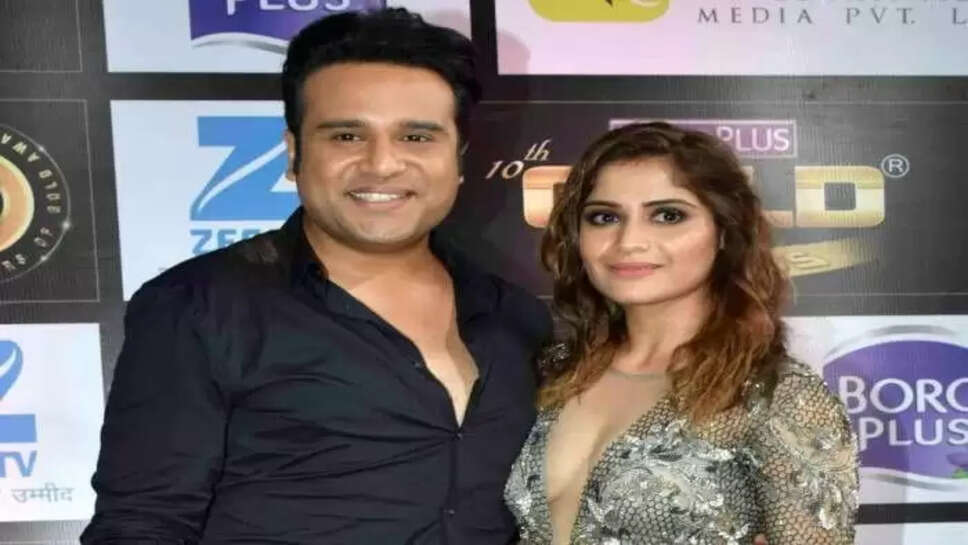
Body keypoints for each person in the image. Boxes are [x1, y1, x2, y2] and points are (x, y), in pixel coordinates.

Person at [81, 8, 551, 545]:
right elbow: (142, 524)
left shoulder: (515, 315)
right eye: (347, 135)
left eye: (417, 137)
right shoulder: (199, 306)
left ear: (459, 159)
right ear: (293, 153)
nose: (382, 164)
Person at [504, 122, 859, 545]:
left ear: (724, 232)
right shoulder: (556, 371)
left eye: (668, 215)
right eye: (605, 217)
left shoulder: (778, 397)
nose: (629, 241)